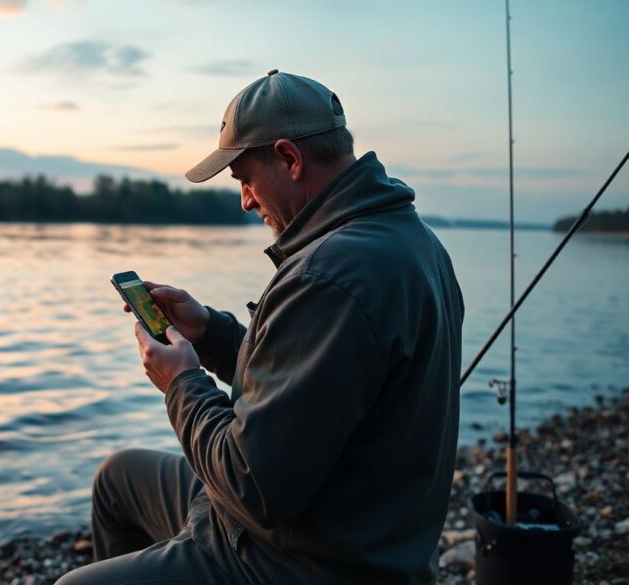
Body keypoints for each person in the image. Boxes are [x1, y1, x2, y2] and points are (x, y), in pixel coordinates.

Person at [57, 70, 464, 584]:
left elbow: (252, 486)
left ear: (290, 159)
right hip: (346, 526)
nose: (245, 200)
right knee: (118, 479)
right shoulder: (415, 243)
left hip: (302, 561)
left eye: (244, 179)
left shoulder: (329, 275)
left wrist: (181, 383)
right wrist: (210, 335)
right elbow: (319, 382)